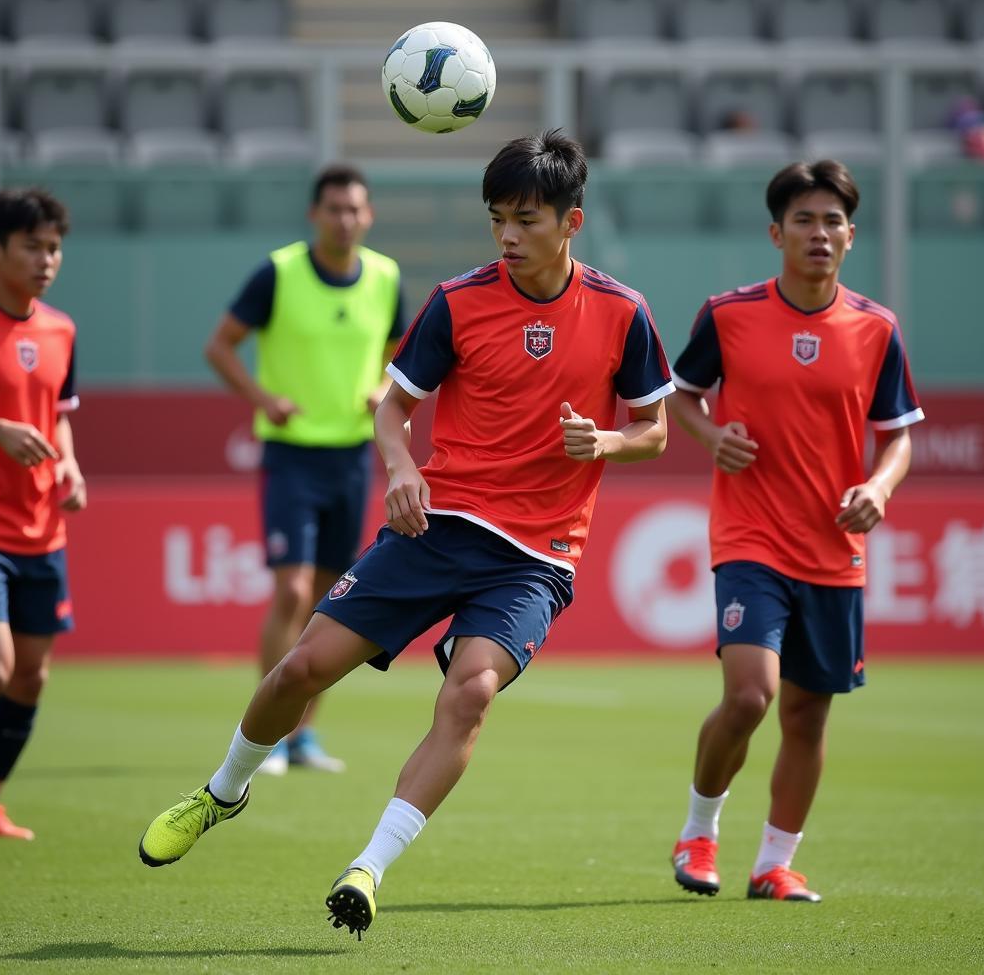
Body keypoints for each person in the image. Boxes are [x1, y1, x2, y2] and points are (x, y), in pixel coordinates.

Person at [138, 129, 674, 937]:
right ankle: (222, 792)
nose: (507, 236)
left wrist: (605, 441)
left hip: (536, 557)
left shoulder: (622, 311)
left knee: (473, 691)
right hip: (438, 524)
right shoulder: (459, 301)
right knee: (299, 670)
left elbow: (656, 428)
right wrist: (400, 469)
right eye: (498, 218)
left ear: (573, 221)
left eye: (526, 219)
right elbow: (393, 408)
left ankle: (369, 866)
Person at [668, 160, 924, 903]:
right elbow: (681, 396)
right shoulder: (729, 314)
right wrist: (712, 438)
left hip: (834, 548)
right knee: (751, 696)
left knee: (807, 717)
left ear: (851, 235)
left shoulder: (877, 328)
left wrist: (878, 486)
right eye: (805, 220)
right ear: (776, 233)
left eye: (833, 220)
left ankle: (775, 863)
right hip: (749, 537)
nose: (820, 233)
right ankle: (699, 833)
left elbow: (899, 434)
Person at [204, 164, 406, 776]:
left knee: (327, 602)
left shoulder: (386, 276)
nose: (345, 219)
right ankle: (261, 734)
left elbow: (398, 350)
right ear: (314, 215)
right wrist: (265, 400)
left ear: (368, 216)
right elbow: (220, 346)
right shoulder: (279, 272)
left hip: (350, 457)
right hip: (292, 456)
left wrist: (380, 389)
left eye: (355, 209)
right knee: (290, 590)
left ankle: (303, 738)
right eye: (334, 209)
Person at [0, 188, 86, 840]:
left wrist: (69, 466)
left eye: (55, 247)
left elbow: (60, 418)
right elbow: (3, 425)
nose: (47, 260)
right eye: (33, 247)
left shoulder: (61, 329)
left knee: (30, 676)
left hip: (43, 531)